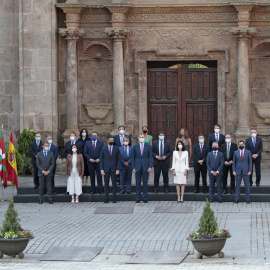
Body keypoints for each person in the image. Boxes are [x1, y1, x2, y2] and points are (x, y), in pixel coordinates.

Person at [132, 133, 152, 203]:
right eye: (140, 137)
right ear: (138, 138)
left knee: (145, 183)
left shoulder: (148, 146)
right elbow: (133, 157)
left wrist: (150, 166)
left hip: (145, 166)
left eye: (142, 137)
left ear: (144, 138)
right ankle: (137, 198)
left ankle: (145, 197)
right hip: (137, 166)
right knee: (138, 183)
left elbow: (150, 157)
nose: (141, 138)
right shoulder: (135, 146)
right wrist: (133, 167)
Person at [100, 136, 121, 203]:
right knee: (106, 184)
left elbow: (119, 159)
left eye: (112, 140)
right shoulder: (103, 149)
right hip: (106, 169)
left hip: (114, 169)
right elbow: (101, 160)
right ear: (107, 141)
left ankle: (114, 198)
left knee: (114, 185)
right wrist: (101, 170)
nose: (111, 141)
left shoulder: (116, 149)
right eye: (110, 140)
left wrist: (118, 169)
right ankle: (106, 198)